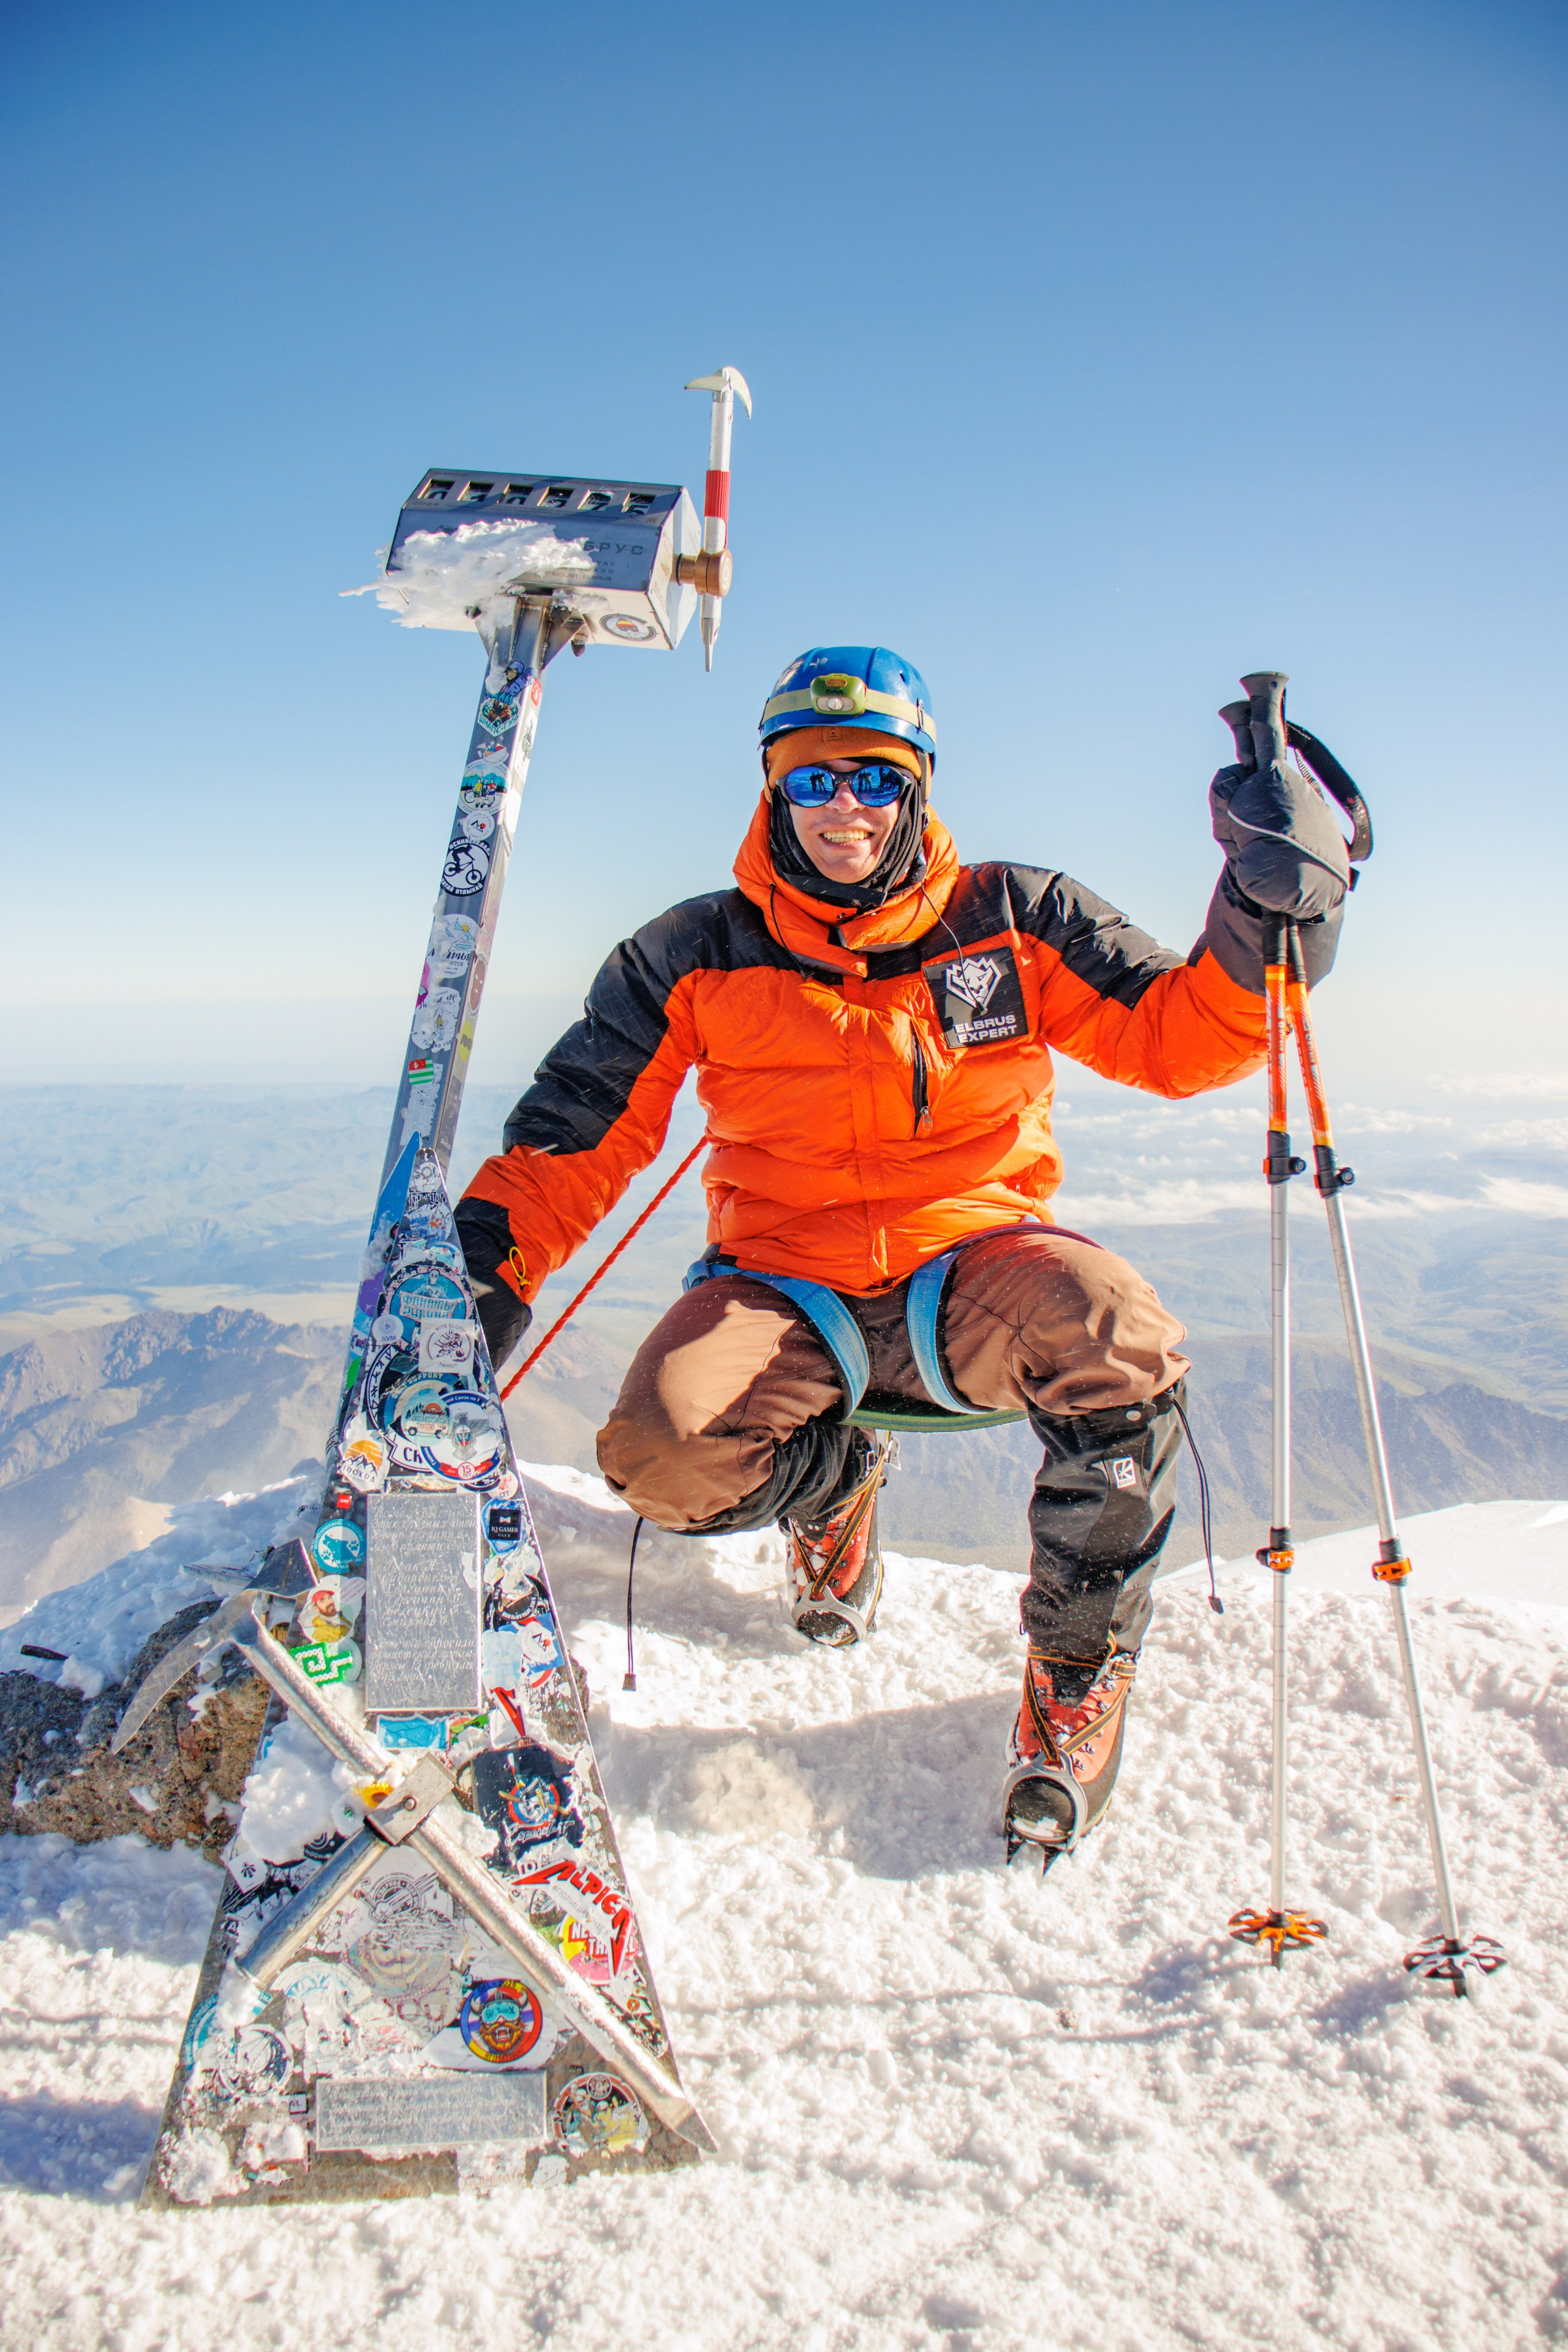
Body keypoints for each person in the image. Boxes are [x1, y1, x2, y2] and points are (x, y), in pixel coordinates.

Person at [455, 647, 1349, 1867]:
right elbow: (576, 1134)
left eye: (872, 779)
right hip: (779, 1277)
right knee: (659, 1460)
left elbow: (1179, 1038)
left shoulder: (1013, 919)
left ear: (915, 785)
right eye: (812, 783)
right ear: (771, 792)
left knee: (1118, 1345)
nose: (843, 810)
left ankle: (1074, 1677)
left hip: (973, 1256)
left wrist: (1265, 909)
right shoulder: (693, 953)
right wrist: (478, 1284)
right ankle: (833, 1488)